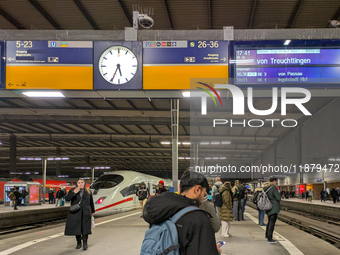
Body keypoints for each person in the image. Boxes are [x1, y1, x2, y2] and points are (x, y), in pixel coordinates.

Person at [143, 170, 222, 255]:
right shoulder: (199, 218)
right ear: (198, 189)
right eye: (204, 194)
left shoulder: (161, 210)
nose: (203, 200)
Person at [64, 178, 95, 251]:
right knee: (76, 227)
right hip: (76, 212)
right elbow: (67, 199)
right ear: (76, 184)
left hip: (86, 212)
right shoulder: (72, 191)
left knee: (85, 228)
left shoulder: (88, 192)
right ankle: (78, 242)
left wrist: (92, 211)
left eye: (82, 182)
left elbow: (91, 202)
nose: (80, 184)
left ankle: (85, 243)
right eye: (79, 183)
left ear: (84, 184)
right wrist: (74, 193)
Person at [263, 176, 281, 244]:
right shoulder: (273, 187)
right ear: (273, 181)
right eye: (276, 181)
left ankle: (267, 236)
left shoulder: (265, 187)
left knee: (269, 221)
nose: (276, 182)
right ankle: (270, 239)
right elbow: (278, 198)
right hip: (273, 207)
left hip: (267, 206)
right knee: (272, 223)